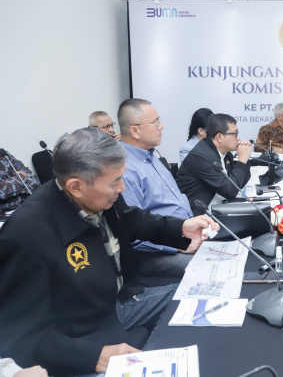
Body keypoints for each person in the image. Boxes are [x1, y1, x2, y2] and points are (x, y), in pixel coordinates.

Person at [0, 128, 217, 376]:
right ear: (75, 186)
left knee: (197, 294)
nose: (122, 188)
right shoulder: (24, 237)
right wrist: (95, 357)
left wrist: (180, 228)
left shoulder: (99, 192)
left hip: (116, 303)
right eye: (115, 182)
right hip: (80, 336)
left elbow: (130, 220)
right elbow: (23, 337)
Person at [117, 98, 200, 277]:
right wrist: (177, 246)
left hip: (186, 235)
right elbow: (133, 232)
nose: (161, 127)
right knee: (211, 270)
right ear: (135, 131)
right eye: (155, 123)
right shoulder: (124, 169)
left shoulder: (151, 156)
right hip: (159, 253)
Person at [176, 113, 252, 214]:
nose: (238, 138)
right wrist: (242, 160)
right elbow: (231, 191)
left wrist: (245, 159)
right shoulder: (202, 157)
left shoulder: (224, 153)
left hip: (218, 208)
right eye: (235, 134)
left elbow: (239, 183)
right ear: (219, 137)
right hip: (197, 216)